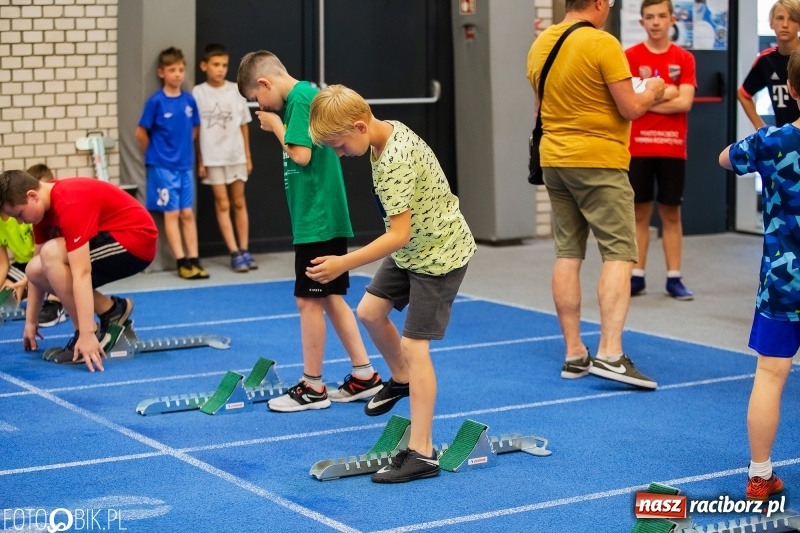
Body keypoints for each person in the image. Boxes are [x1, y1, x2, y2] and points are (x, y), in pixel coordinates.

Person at [307, 84, 477, 483]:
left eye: (338, 144)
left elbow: (398, 233)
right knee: (369, 311)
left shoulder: (393, 161)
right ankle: (400, 379)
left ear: (360, 126)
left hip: (438, 255)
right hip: (412, 249)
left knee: (415, 345)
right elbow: (402, 237)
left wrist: (343, 263)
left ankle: (423, 452)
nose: (338, 153)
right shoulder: (385, 132)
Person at [526, 0, 662, 390]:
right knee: (620, 252)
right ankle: (611, 353)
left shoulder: (540, 45)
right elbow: (631, 106)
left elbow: (541, 108)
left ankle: (574, 353)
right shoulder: (603, 43)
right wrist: (652, 89)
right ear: (599, 3)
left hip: (554, 159)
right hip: (599, 159)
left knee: (568, 253)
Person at [236, 51, 382, 412]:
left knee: (308, 300)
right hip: (317, 215)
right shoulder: (300, 98)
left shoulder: (300, 98)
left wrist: (275, 126)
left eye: (257, 98)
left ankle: (312, 386)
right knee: (330, 297)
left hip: (317, 217)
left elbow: (300, 155)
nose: (261, 105)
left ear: (266, 84)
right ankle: (364, 375)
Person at [717, 48, 800, 503]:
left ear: (790, 90)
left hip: (783, 283)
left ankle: (761, 474)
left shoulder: (773, 140)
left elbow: (725, 158)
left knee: (770, 375)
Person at [0, 170, 158, 372]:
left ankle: (88, 331)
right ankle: (110, 309)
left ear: (32, 195)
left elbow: (81, 273)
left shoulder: (69, 202)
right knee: (34, 269)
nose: (21, 222)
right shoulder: (41, 214)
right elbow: (36, 271)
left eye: (20, 215)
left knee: (51, 254)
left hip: (136, 240)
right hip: (110, 236)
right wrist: (31, 322)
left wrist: (85, 333)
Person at [625, 0, 697, 300]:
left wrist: (650, 97)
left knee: (671, 212)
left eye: (661, 16)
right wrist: (669, 91)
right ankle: (637, 275)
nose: (655, 22)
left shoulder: (685, 58)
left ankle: (674, 277)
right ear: (642, 22)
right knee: (639, 212)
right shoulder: (629, 56)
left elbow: (685, 102)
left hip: (672, 147)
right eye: (649, 17)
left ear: (671, 20)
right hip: (637, 146)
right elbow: (630, 102)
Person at [135, 46, 209, 280]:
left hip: (185, 166)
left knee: (188, 213)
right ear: (161, 73)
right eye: (172, 70)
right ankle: (181, 262)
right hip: (162, 168)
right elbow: (140, 133)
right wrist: (157, 154)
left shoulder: (189, 100)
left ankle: (195, 259)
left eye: (180, 69)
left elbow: (195, 129)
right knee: (172, 214)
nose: (177, 74)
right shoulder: (156, 102)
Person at [193, 43, 257, 273]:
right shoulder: (198, 93)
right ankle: (234, 252)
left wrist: (247, 156)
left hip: (236, 155)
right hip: (213, 158)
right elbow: (197, 129)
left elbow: (243, 125)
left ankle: (245, 248)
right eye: (215, 65)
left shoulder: (234, 90)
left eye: (224, 65)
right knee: (222, 204)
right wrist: (200, 161)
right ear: (204, 66)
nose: (220, 69)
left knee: (239, 202)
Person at [738, 0, 800, 130]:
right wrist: (760, 127)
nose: (785, 25)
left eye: (792, 19)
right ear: (771, 23)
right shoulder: (766, 60)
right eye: (780, 18)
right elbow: (743, 94)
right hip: (784, 139)